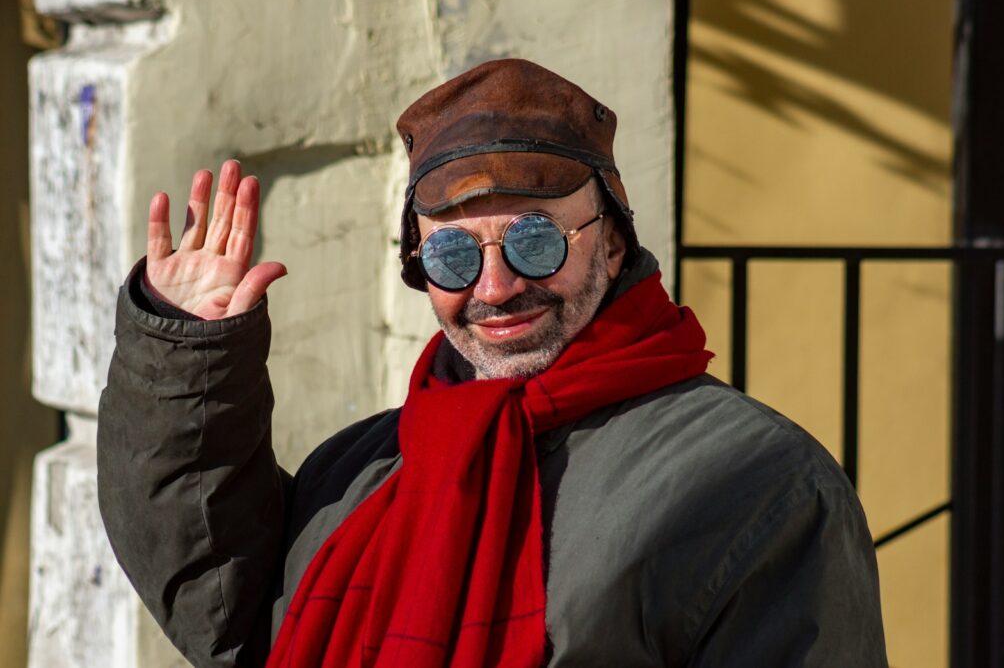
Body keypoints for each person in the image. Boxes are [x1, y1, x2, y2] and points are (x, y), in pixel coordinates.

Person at [97, 59, 887, 667]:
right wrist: (186, 353)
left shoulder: (759, 480)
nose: (498, 287)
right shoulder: (367, 468)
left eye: (535, 240)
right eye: (451, 254)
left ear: (611, 242)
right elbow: (226, 615)